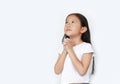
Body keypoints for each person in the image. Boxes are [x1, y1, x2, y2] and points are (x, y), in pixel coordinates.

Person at [54, 13, 95, 84]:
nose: (68, 25)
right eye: (66, 22)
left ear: (82, 29)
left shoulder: (86, 47)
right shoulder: (63, 47)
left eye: (73, 22)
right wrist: (65, 50)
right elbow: (57, 71)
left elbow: (82, 71)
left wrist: (70, 50)